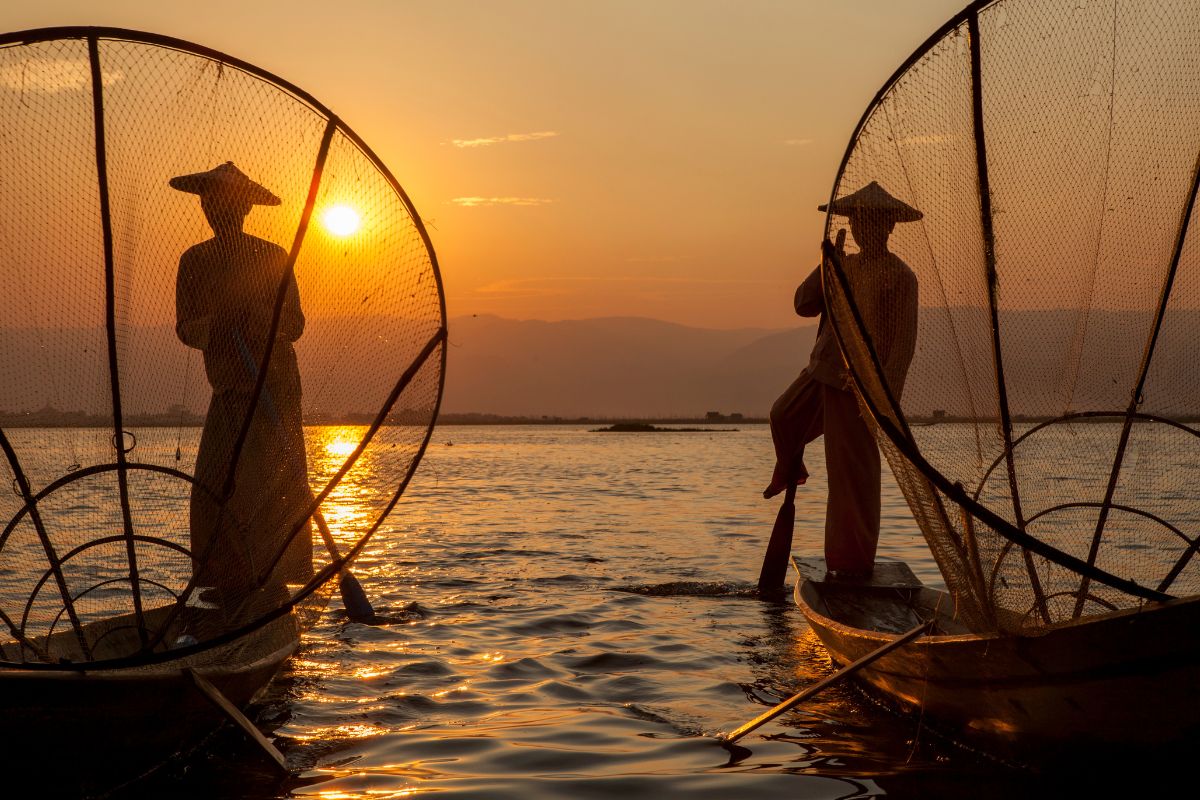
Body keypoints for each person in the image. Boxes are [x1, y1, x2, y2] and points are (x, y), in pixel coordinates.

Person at [172, 161, 313, 613]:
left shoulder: (272, 257)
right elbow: (186, 327)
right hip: (230, 389)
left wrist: (261, 326)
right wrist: (216, 326)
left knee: (274, 483)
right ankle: (224, 582)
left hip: (275, 388)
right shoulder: (195, 260)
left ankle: (273, 580)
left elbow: (294, 322)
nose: (218, 211)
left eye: (228, 203)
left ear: (246, 208)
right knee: (216, 484)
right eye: (211, 203)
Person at [764, 181, 920, 575]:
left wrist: (884, 398)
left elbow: (903, 343)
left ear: (888, 228)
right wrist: (826, 264)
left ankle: (849, 563)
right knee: (782, 415)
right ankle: (790, 467)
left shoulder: (901, 276)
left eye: (874, 223)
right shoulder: (842, 266)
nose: (867, 229)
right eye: (860, 221)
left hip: (861, 387)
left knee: (852, 479)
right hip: (823, 370)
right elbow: (804, 304)